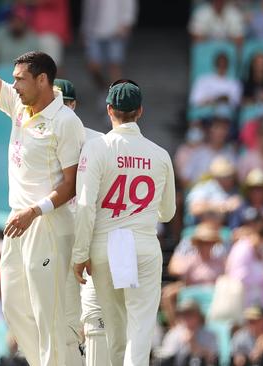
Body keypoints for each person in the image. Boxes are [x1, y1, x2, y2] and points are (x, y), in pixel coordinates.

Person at [0, 4, 86, 365]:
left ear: (42, 80)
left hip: (47, 223)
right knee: (14, 309)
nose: (13, 85)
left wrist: (34, 211)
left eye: (20, 79)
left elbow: (72, 184)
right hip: (18, 222)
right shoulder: (19, 105)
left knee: (50, 315)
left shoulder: (65, 122)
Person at [72, 81, 176, 365]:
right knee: (140, 331)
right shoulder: (160, 154)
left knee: (116, 334)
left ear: (109, 110)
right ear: (140, 111)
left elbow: (84, 206)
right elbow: (166, 213)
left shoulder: (97, 148)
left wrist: (80, 254)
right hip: (142, 243)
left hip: (105, 245)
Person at [54, 78, 102, 366]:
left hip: (92, 234)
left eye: (66, 103)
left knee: (93, 318)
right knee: (60, 318)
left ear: (74, 104)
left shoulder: (98, 141)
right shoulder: (41, 139)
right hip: (57, 234)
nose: (63, 109)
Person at [82, 0, 137, 88]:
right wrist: (84, 29)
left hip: (115, 30)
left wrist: (127, 23)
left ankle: (116, 97)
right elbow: (88, 9)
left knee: (114, 66)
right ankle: (104, 89)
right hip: (93, 32)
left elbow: (129, 3)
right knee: (93, 66)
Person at [156, 300, 218, 365]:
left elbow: (213, 360)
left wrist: (195, 346)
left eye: (190, 314)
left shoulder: (209, 335)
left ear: (198, 316)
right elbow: (165, 359)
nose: (186, 317)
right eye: (183, 314)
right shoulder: (173, 334)